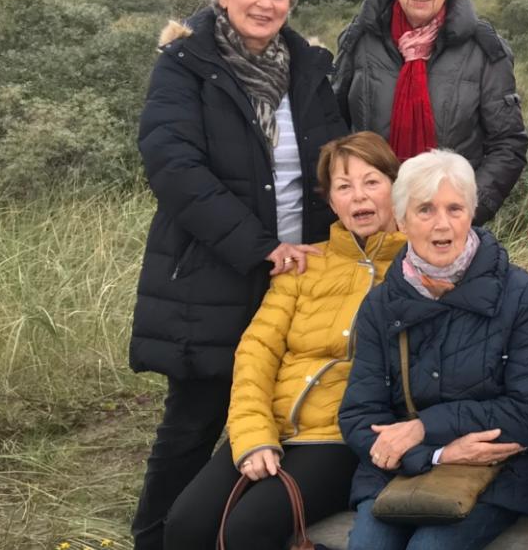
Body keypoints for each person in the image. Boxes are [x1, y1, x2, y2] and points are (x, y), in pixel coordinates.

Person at [129, 0, 350, 550]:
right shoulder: (184, 65)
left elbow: (333, 159)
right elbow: (173, 165)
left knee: (274, 406)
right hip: (211, 271)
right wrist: (259, 246)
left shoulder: (307, 66)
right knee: (195, 420)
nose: (266, 2)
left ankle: (233, 532)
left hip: (298, 271)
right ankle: (155, 538)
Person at [162, 132, 407, 549]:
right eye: (343, 187)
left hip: (340, 440)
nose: (358, 197)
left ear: (395, 188)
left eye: (371, 182)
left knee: (247, 531)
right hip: (272, 427)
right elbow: (258, 352)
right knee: (184, 526)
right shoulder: (306, 266)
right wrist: (254, 435)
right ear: (331, 202)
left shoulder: (413, 270)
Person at [339, 149, 528, 549]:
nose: (443, 225)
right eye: (425, 210)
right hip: (402, 471)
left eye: (455, 208)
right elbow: (359, 415)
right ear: (401, 221)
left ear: (471, 214)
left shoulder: (520, 294)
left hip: (495, 470)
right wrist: (436, 455)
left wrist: (424, 428)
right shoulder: (381, 304)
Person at [335, 0, 527, 225]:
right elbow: (334, 128)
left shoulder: (485, 50)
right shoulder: (360, 40)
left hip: (447, 230)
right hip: (372, 223)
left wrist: (463, 212)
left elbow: (508, 144)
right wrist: (352, 201)